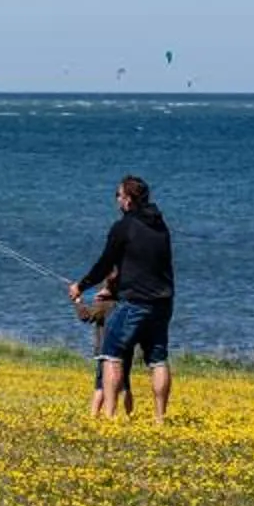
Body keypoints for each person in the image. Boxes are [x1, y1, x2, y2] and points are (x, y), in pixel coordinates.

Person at [70, 175, 174, 422]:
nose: (117, 200)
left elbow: (105, 263)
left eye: (118, 195)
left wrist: (81, 287)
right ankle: (160, 419)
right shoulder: (160, 226)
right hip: (163, 302)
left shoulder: (124, 227)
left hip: (135, 302)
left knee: (111, 355)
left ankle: (110, 417)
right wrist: (114, 289)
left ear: (128, 200)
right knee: (158, 359)